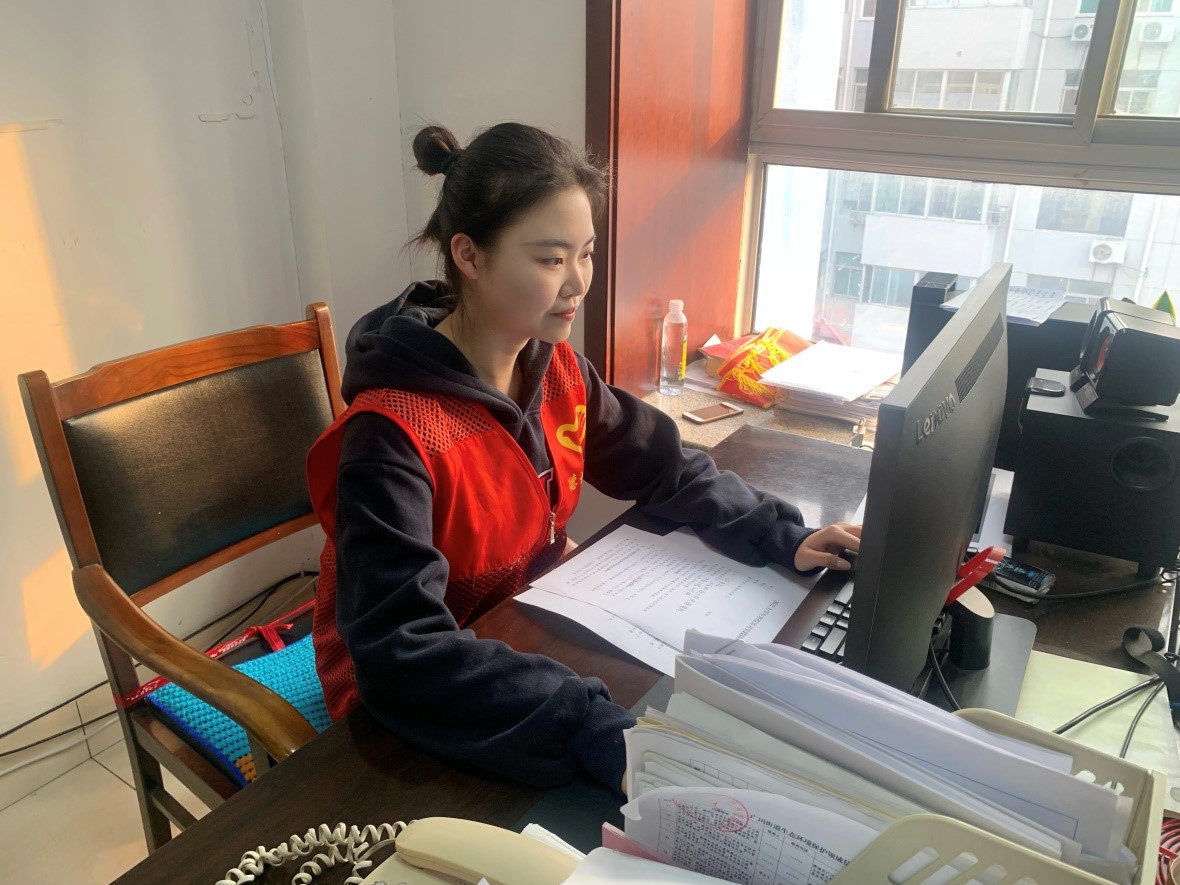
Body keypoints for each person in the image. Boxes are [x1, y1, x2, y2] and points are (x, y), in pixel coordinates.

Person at [306, 121, 861, 796]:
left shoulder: (556, 369)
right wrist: (586, 722)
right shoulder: (392, 435)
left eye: (587, 254)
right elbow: (400, 653)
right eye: (550, 260)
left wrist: (782, 534)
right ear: (469, 255)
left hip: (522, 630)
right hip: (416, 699)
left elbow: (661, 466)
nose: (578, 284)